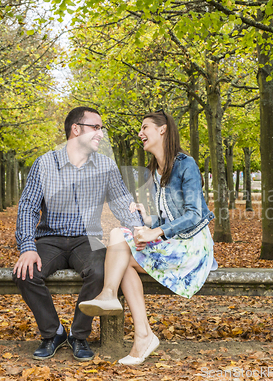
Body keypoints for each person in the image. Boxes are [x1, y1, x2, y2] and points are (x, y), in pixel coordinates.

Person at [79, 110, 216, 365]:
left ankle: (124, 312)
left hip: (192, 247)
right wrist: (149, 220)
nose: (140, 133)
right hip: (173, 241)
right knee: (120, 243)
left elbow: (195, 215)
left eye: (145, 128)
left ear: (162, 130)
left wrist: (157, 231)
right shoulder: (155, 170)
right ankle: (140, 332)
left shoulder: (186, 164)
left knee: (120, 247)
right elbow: (168, 218)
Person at [13, 106, 142, 361]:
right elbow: (27, 208)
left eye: (101, 128)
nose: (101, 134)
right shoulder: (45, 163)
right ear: (76, 129)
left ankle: (78, 335)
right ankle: (53, 333)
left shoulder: (105, 165)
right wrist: (27, 247)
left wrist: (140, 231)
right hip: (50, 238)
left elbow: (123, 203)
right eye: (96, 127)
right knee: (25, 273)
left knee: (101, 271)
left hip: (88, 239)